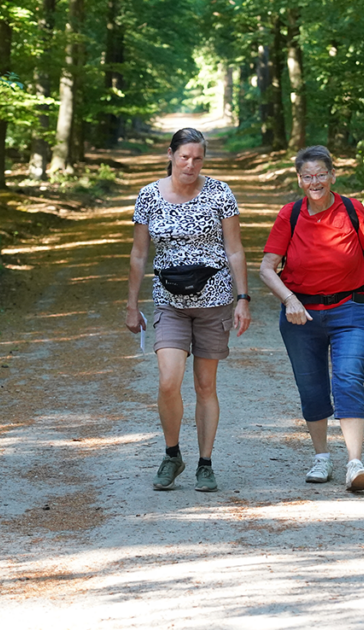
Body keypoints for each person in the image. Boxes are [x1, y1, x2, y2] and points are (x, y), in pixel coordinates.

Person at [259, 145, 364, 492]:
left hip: (349, 309)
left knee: (348, 377)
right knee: (311, 386)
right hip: (301, 315)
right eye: (307, 176)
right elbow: (267, 269)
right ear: (299, 179)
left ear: (332, 176)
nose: (315, 182)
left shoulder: (353, 210)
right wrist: (289, 300)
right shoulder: (290, 215)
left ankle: (355, 463)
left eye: (321, 175)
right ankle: (322, 458)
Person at [126, 127, 251, 492]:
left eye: (198, 158)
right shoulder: (149, 196)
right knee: (168, 381)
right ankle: (171, 454)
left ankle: (205, 463)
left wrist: (243, 299)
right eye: (184, 157)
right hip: (170, 302)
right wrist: (131, 306)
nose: (191, 164)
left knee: (204, 384)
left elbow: (235, 249)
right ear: (170, 155)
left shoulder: (220, 193)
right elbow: (138, 254)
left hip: (214, 301)